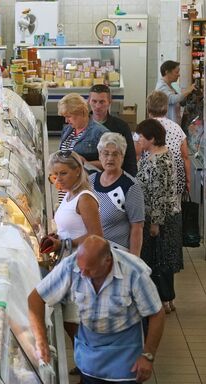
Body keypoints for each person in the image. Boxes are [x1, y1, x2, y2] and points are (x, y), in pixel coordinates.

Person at [28, 236, 165, 384]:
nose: (83, 274)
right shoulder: (72, 265)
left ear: (107, 261)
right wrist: (41, 341)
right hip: (89, 356)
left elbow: (157, 314)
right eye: (81, 269)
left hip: (125, 357)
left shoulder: (134, 272)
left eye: (89, 270)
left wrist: (148, 355)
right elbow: (35, 299)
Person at [44, 149, 103, 367]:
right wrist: (57, 237)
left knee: (78, 320)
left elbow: (96, 235)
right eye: (54, 174)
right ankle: (84, 363)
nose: (58, 179)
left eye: (63, 173)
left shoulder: (85, 198)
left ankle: (91, 367)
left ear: (78, 171)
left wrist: (66, 243)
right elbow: (71, 228)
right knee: (70, 320)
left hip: (83, 267)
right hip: (68, 263)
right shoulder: (69, 195)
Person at [135, 119, 181, 314]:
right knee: (163, 260)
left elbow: (159, 194)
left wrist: (155, 223)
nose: (138, 140)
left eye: (141, 137)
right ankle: (167, 298)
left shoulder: (159, 160)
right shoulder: (160, 154)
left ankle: (164, 299)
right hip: (165, 215)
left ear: (151, 139)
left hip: (161, 219)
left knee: (159, 260)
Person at [89, 133, 145, 255]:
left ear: (122, 157)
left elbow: (137, 227)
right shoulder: (91, 180)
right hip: (92, 251)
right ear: (99, 155)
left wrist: (134, 261)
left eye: (115, 154)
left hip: (117, 254)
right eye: (106, 153)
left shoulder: (130, 186)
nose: (110, 158)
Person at [147, 90, 191, 195]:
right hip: (175, 178)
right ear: (166, 109)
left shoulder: (144, 128)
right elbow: (185, 156)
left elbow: (136, 156)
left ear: (148, 108)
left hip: (151, 178)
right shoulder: (177, 128)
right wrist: (188, 181)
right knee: (174, 208)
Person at [88, 84, 137, 176]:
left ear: (110, 102)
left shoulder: (121, 127)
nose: (97, 106)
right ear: (88, 101)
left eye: (102, 102)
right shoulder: (82, 126)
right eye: (94, 101)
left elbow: (130, 160)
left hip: (113, 178)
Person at [59, 93, 108, 170]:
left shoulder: (100, 133)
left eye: (69, 116)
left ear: (82, 112)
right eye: (65, 117)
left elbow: (111, 162)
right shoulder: (67, 129)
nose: (66, 121)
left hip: (87, 179)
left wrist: (85, 163)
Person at [155, 60, 195, 125]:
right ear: (167, 72)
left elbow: (179, 101)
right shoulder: (161, 86)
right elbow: (173, 99)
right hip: (167, 125)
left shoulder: (169, 85)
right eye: (176, 72)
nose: (179, 75)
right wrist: (188, 90)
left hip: (173, 123)